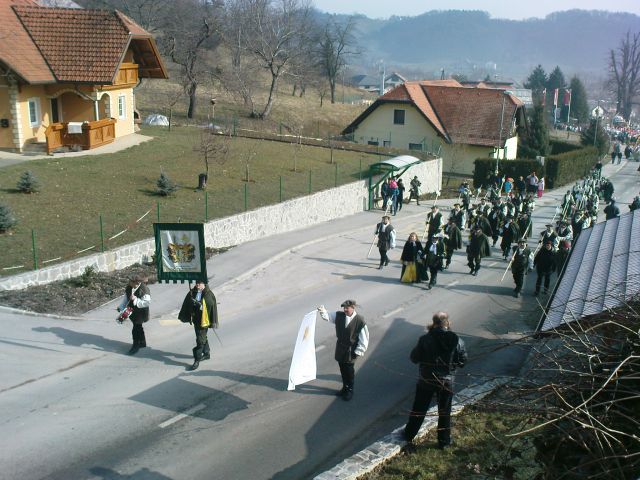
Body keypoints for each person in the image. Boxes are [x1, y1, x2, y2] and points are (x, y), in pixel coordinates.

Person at [403, 312, 467, 448]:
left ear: (434, 322)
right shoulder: (457, 341)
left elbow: (414, 358)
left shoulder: (425, 339)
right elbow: (462, 361)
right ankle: (444, 442)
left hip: (426, 380)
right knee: (444, 412)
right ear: (447, 322)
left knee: (419, 409)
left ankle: (409, 434)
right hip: (447, 382)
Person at [317, 300, 369, 401]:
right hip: (340, 348)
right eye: (344, 308)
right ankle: (344, 388)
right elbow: (328, 316)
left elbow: (364, 338)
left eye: (347, 308)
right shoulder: (339, 316)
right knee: (342, 370)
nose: (345, 309)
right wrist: (323, 311)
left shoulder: (360, 320)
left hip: (351, 351)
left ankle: (350, 390)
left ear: (353, 307)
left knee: (349, 372)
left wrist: (359, 350)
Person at [178, 280, 219, 370]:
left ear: (204, 284)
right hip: (196, 320)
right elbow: (188, 303)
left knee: (200, 340)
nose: (197, 285)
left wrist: (199, 305)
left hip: (204, 321)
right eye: (196, 283)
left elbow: (209, 305)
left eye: (199, 283)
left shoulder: (208, 294)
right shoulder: (193, 292)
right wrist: (191, 304)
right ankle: (207, 353)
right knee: (202, 336)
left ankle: (197, 359)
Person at [117, 275, 150, 355]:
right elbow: (126, 298)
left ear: (136, 282)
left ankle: (136, 345)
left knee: (136, 328)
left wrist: (135, 299)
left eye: (131, 281)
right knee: (138, 327)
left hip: (140, 312)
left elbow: (146, 302)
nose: (129, 282)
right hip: (131, 310)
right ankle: (142, 342)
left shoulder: (144, 289)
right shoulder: (129, 287)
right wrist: (121, 307)